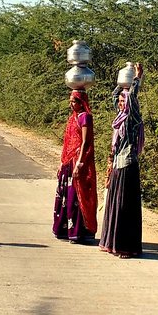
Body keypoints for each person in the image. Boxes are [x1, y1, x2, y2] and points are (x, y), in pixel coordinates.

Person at [99, 63, 145, 258]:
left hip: (128, 163)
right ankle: (112, 243)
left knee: (125, 206)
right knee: (114, 203)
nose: (119, 102)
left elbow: (132, 97)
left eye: (122, 101)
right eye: (119, 101)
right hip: (118, 163)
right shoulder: (119, 117)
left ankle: (126, 246)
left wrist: (136, 78)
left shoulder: (132, 117)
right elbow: (114, 96)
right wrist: (121, 82)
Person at [53, 89, 98, 243]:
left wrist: (79, 163)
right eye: (70, 101)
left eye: (74, 101)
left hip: (78, 161)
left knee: (76, 197)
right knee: (65, 196)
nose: (71, 104)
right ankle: (64, 229)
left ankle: (78, 232)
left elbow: (85, 142)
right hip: (68, 161)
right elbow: (67, 142)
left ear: (81, 102)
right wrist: (61, 162)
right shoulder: (72, 118)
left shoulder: (85, 117)